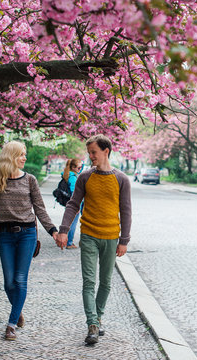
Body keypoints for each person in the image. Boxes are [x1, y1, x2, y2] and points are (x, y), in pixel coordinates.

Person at [55, 135, 131, 345]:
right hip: (88, 235)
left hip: (111, 237)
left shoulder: (121, 179)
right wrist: (63, 229)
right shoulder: (85, 177)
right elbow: (72, 204)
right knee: (89, 281)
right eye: (89, 153)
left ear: (106, 151)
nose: (90, 156)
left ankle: (97, 319)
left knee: (105, 283)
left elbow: (125, 211)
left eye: (94, 152)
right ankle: (92, 324)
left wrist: (124, 240)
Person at [0, 141, 58, 341]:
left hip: (27, 234)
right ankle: (18, 310)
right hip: (5, 235)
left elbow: (40, 208)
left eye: (25, 154)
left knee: (20, 279)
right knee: (8, 282)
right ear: (11, 156)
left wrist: (53, 230)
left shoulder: (30, 180)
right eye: (21, 154)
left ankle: (11, 324)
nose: (25, 158)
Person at [61, 158, 83, 249]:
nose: (80, 169)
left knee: (69, 221)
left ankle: (66, 240)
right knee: (73, 223)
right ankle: (69, 243)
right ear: (73, 167)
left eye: (81, 167)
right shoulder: (73, 177)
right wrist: (77, 205)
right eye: (78, 168)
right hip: (75, 203)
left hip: (69, 203)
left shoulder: (67, 174)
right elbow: (74, 192)